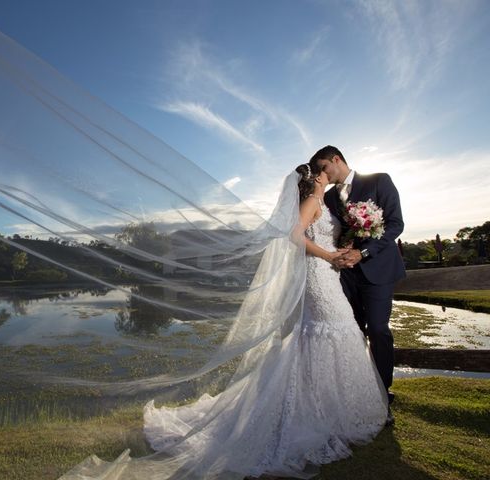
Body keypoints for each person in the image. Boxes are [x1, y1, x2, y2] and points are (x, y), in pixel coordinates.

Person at [60, 164, 388, 479]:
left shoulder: (324, 201)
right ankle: (317, 412)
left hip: (329, 275)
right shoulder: (313, 200)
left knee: (334, 333)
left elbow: (325, 234)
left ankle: (333, 407)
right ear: (314, 178)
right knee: (326, 332)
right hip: (320, 275)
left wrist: (343, 248)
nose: (325, 175)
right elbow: (294, 235)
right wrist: (329, 255)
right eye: (320, 172)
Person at [310, 145, 406, 425]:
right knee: (353, 332)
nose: (322, 174)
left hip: (377, 270)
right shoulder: (326, 199)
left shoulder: (378, 181)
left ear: (336, 159)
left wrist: (363, 252)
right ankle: (357, 395)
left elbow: (396, 224)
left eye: (324, 167)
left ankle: (383, 393)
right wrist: (339, 252)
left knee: (378, 329)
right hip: (344, 275)